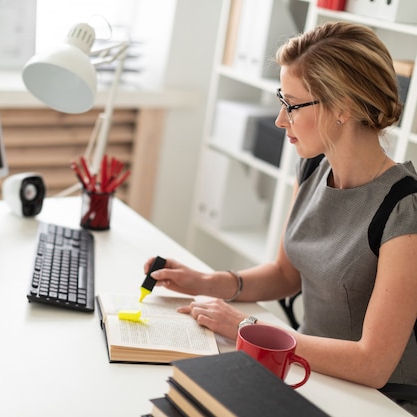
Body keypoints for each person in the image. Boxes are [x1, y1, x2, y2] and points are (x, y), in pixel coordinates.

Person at [146, 21, 417, 412]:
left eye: (292, 104)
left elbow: (373, 364)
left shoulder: (403, 207)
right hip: (309, 370)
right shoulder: (312, 170)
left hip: (378, 398)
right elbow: (286, 274)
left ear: (342, 108)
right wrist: (204, 281)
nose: (279, 119)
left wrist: (247, 328)